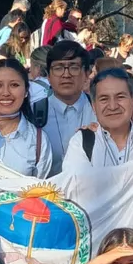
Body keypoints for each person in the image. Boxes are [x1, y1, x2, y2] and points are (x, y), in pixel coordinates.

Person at [61, 68, 133, 172]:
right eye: (104, 99)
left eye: (120, 97)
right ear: (94, 106)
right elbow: (75, 189)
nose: (113, 106)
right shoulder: (82, 142)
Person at [42, 41, 93, 174]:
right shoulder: (35, 113)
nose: (66, 74)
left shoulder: (100, 110)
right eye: (58, 68)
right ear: (48, 75)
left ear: (87, 74)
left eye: (74, 67)